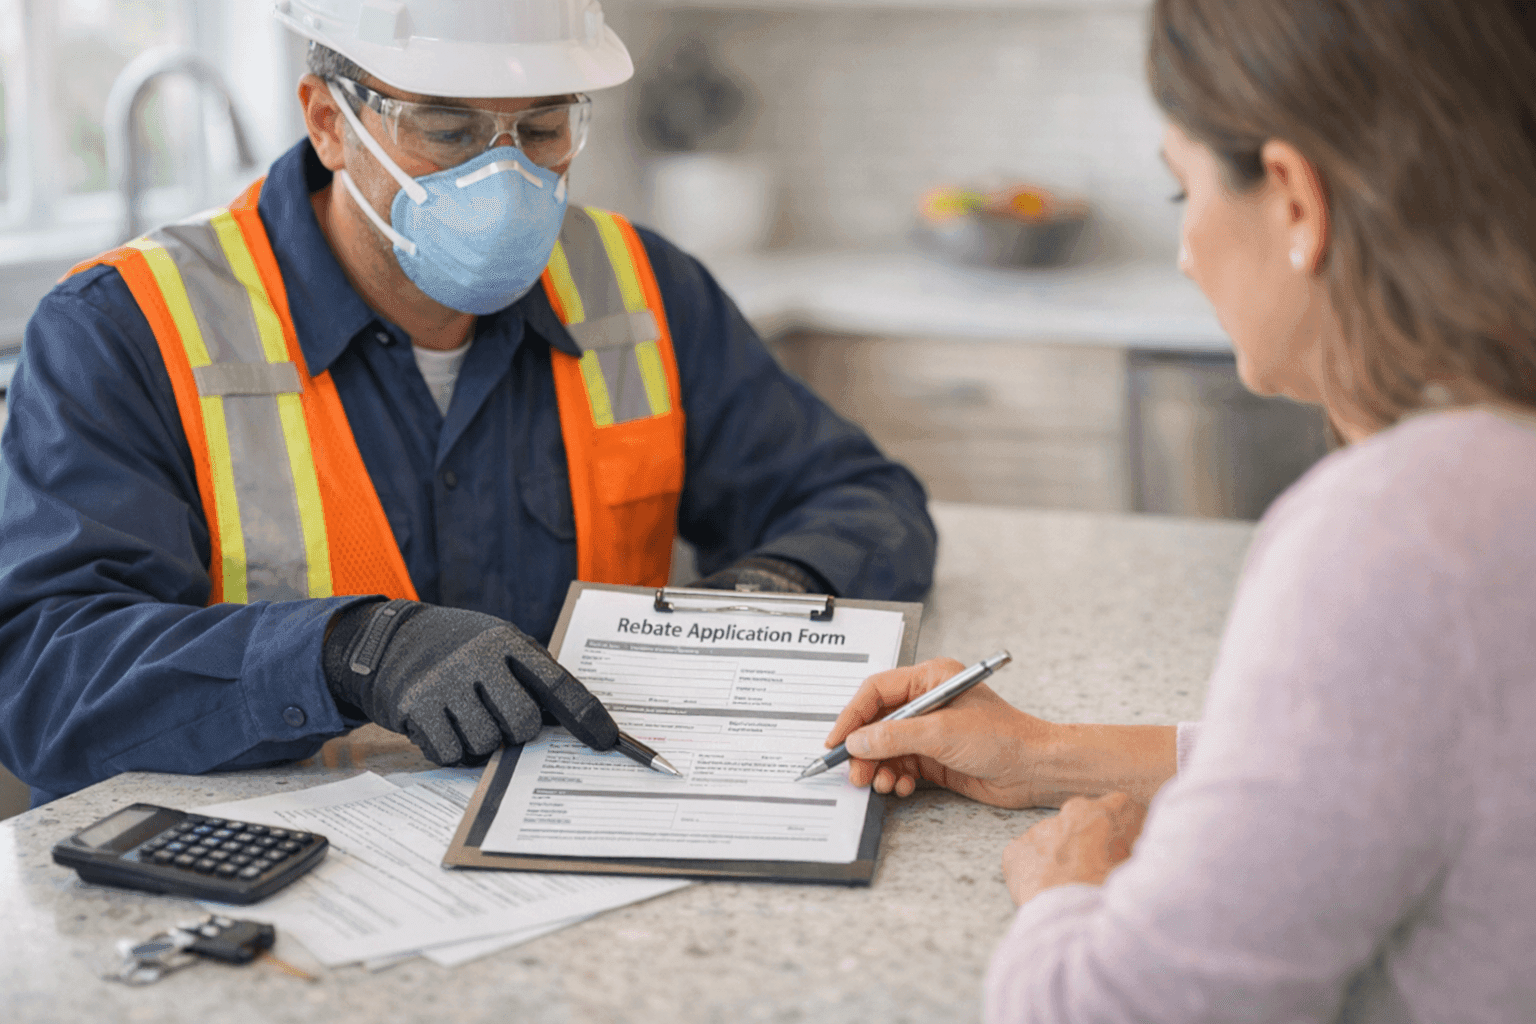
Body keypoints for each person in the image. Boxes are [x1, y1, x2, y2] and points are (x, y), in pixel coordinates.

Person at [0, 0, 935, 804]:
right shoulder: (125, 329)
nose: (505, 174)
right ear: (327, 121)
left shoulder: (640, 285)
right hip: (264, 874)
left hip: (573, 839)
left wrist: (769, 597)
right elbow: (40, 674)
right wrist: (351, 651)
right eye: (447, 131)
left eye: (543, 129)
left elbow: (863, 499)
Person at [825, 1, 1536, 1020]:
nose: (1186, 252)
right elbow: (1363, 763)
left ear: (1294, 199)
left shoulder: (1399, 530)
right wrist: (1042, 755)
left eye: (1183, 189)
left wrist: (1065, 887)